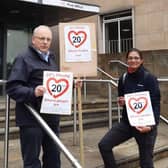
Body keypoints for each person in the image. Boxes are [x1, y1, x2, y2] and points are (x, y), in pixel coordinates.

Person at [6, 25, 60, 168]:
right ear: (33, 40)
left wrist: (72, 84)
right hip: (32, 118)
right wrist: (33, 92)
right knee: (32, 162)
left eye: (48, 39)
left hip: (51, 117)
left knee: (54, 159)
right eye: (42, 38)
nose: (45, 42)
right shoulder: (23, 58)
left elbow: (56, 84)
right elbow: (12, 88)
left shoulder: (52, 58)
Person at [98, 48, 160, 168]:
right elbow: (123, 98)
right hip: (127, 123)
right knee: (104, 145)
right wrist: (122, 102)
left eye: (136, 58)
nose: (133, 60)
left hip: (145, 125)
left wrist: (151, 126)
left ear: (141, 60)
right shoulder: (123, 78)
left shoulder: (149, 78)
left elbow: (156, 104)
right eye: (130, 58)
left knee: (146, 163)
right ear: (126, 60)